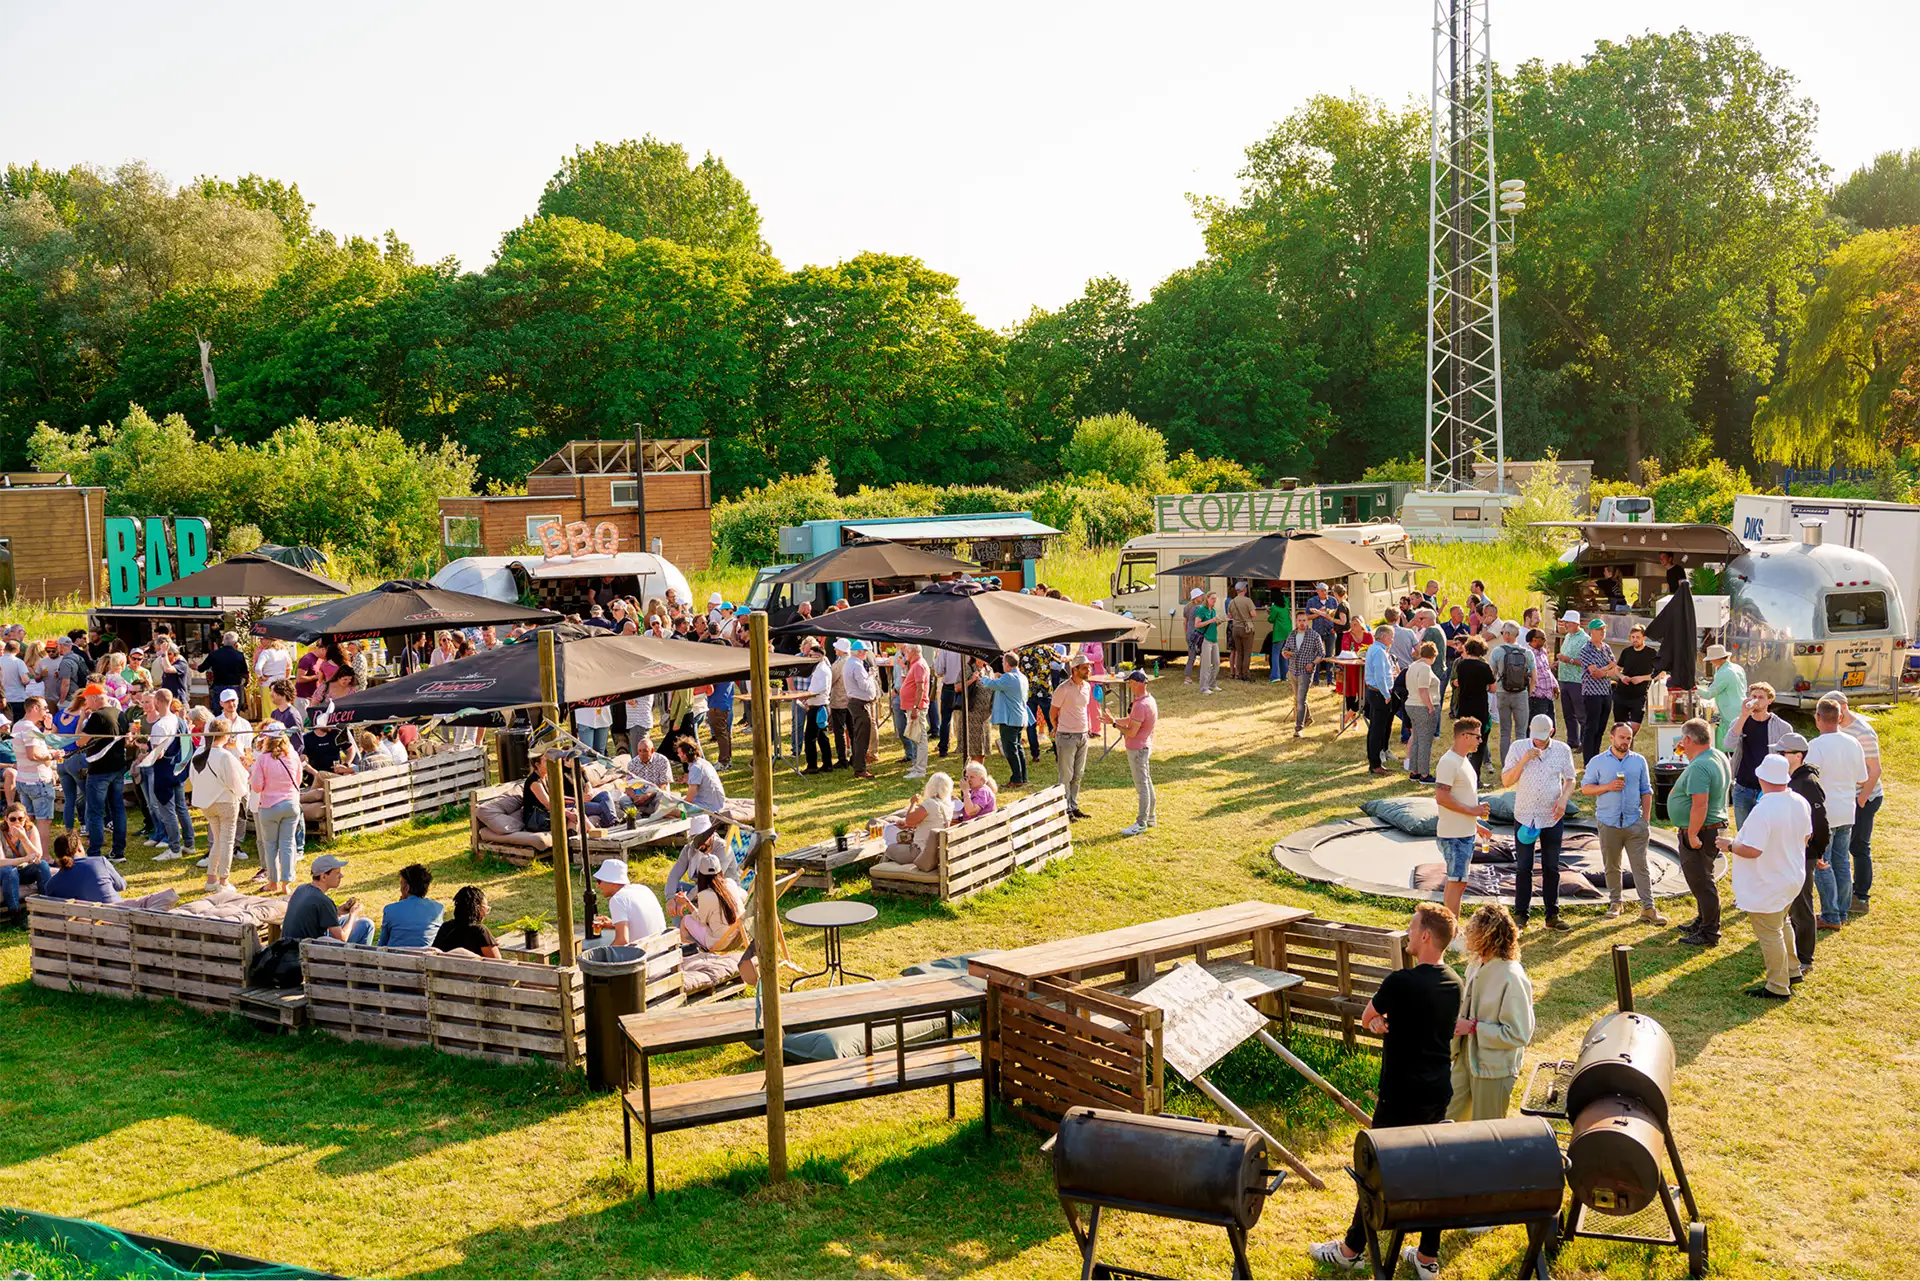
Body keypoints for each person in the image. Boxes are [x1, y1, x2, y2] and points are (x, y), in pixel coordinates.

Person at [1309, 905, 1464, 1278]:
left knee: (1374, 1172)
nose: (1408, 934)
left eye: (1412, 928)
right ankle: (1427, 1257)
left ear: (1425, 936)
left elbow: (1367, 1017)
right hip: (1437, 1091)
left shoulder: (1400, 982)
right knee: (1431, 1169)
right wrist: (1387, 1021)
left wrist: (1379, 1022)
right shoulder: (1454, 982)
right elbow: (1426, 1022)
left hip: (1399, 1093)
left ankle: (1350, 1250)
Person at [1717, 754, 1811, 1000]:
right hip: (1792, 876)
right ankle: (1792, 970)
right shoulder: (1800, 801)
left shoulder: (1764, 810)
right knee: (1782, 923)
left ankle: (1778, 986)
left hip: (1769, 882)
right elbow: (1806, 837)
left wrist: (1729, 846)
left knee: (1770, 933)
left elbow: (1752, 850)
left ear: (1761, 778)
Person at [1448, 905, 1535, 1122]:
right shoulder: (1476, 965)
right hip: (1465, 1058)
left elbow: (1519, 1034)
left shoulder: (1511, 976)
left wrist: (1474, 1028)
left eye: (1473, 928)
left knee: (1486, 1132)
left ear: (1487, 935)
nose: (1467, 932)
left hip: (1494, 1070)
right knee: (1447, 1121)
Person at [1581, 720, 1666, 925]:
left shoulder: (1638, 761)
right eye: (1622, 737)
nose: (1626, 742)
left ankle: (1648, 908)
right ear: (1612, 738)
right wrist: (1608, 787)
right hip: (1608, 821)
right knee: (1612, 866)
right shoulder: (1598, 761)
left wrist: (1645, 820)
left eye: (1629, 738)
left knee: (1641, 866)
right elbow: (1586, 789)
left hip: (1633, 822)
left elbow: (1646, 790)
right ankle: (1615, 903)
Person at [1502, 714, 1577, 931]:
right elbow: (1506, 781)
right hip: (1525, 815)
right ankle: (1521, 914)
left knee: (1551, 867)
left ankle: (1552, 915)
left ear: (1551, 732)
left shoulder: (1562, 750)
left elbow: (1571, 778)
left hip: (1551, 816)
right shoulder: (1518, 747)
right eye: (1535, 737)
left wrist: (1563, 799)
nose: (1538, 741)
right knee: (1523, 867)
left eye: (1542, 738)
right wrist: (1524, 760)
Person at [1803, 696, 1867, 930]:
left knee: (1823, 863)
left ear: (1817, 718)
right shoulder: (1853, 743)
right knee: (1841, 862)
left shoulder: (1815, 746)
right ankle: (1841, 911)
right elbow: (1862, 777)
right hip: (1847, 810)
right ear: (1840, 718)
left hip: (1823, 813)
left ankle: (1830, 915)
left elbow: (1807, 779)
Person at [1667, 718, 1727, 944]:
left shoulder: (1701, 766)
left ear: (1689, 739)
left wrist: (1691, 834)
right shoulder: (1716, 755)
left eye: (1683, 738)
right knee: (1701, 880)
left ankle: (1710, 932)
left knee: (1703, 883)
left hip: (1702, 831)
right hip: (1711, 827)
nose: (1681, 742)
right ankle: (1702, 921)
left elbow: (1700, 804)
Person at [1777, 732, 1828, 978]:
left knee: (1802, 906)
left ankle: (1805, 958)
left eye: (1782, 753)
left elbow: (1821, 822)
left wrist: (1816, 852)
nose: (1777, 756)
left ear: (1798, 756)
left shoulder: (1806, 782)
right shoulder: (1792, 778)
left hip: (1803, 853)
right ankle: (1794, 951)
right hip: (1791, 851)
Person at [1432, 719, 1492, 924]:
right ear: (1464, 736)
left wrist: (1476, 825)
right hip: (1453, 836)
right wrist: (1473, 811)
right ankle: (1451, 929)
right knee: (1456, 883)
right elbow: (1442, 797)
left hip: (1464, 832)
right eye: (1477, 736)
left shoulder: (1464, 760)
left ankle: (1450, 927)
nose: (1480, 740)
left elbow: (1461, 797)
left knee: (1458, 882)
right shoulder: (1449, 762)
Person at [1827, 692, 1881, 917]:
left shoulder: (1863, 733)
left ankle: (1861, 897)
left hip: (1865, 798)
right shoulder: (1840, 730)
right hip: (1848, 797)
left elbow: (1875, 770)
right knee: (1845, 848)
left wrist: (1861, 799)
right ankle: (1845, 894)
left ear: (1844, 707)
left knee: (1859, 847)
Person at [189, 719, 248, 891]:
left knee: (218, 841)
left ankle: (211, 880)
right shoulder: (224, 756)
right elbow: (235, 782)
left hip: (207, 803)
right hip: (225, 802)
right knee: (227, 841)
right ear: (225, 736)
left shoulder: (198, 753)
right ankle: (223, 882)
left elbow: (193, 778)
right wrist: (243, 789)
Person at [76, 684, 128, 863]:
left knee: (96, 811)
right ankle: (118, 852)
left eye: (87, 698)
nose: (85, 702)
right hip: (118, 768)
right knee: (117, 809)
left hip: (99, 770)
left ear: (96, 697)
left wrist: (82, 718)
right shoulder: (120, 714)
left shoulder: (97, 716)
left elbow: (79, 741)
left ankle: (95, 852)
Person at [251, 723, 304, 895]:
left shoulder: (263, 759)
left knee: (270, 845)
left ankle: (273, 881)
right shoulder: (294, 756)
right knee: (288, 843)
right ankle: (286, 883)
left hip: (269, 806)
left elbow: (257, 787)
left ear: (267, 738)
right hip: (290, 804)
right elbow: (298, 779)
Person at [1725, 682, 1790, 825]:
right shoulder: (1740, 722)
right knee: (1743, 834)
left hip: (1769, 789)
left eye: (1761, 697)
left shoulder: (1782, 727)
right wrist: (1743, 716)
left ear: (1770, 700)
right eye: (1753, 696)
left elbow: (1789, 758)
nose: (1756, 700)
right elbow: (1728, 745)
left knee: (1768, 832)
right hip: (1743, 788)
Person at [1052, 657, 1100, 819]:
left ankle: (1073, 805)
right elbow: (1053, 712)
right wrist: (1058, 728)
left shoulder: (1087, 686)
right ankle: (1064, 809)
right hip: (1066, 736)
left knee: (1078, 774)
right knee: (1066, 775)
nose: (1089, 671)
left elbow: (1083, 709)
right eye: (1085, 668)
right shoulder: (1063, 689)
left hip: (1083, 735)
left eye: (1089, 668)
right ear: (1075, 670)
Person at [284, 854, 372, 944]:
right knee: (367, 925)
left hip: (288, 947)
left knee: (352, 920)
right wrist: (353, 914)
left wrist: (341, 909)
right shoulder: (323, 901)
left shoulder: (301, 888)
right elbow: (342, 938)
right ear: (323, 877)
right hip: (307, 952)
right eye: (337, 873)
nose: (341, 876)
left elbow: (316, 914)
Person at [673, 851, 747, 954]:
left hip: (721, 943)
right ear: (720, 871)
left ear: (701, 875)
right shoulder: (730, 883)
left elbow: (701, 920)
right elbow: (745, 896)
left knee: (686, 920)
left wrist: (687, 902)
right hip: (739, 937)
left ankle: (694, 954)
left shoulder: (705, 895)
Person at [11, 697, 56, 857]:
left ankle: (27, 853)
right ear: (35, 708)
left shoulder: (18, 726)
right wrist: (52, 755)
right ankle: (44, 856)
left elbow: (41, 744)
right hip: (38, 781)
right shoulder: (31, 729)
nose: (47, 711)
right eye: (45, 708)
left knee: (26, 821)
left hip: (23, 779)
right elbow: (34, 754)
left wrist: (48, 728)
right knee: (43, 821)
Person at [980, 652, 1032, 787]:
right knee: (1018, 748)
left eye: (1003, 663)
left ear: (1007, 664)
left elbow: (991, 684)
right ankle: (1022, 777)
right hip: (1019, 717)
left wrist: (983, 677)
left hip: (1010, 718)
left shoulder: (1008, 677)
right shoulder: (1021, 677)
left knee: (1010, 750)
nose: (1002, 665)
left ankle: (1016, 779)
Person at [885, 772, 954, 872]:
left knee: (890, 849)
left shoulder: (930, 803)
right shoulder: (948, 805)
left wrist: (913, 803)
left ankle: (881, 876)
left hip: (920, 852)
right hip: (937, 851)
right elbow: (932, 822)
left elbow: (909, 820)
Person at [0, 802, 57, 920]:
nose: (17, 822)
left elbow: (38, 856)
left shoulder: (31, 829)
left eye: (20, 819)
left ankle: (48, 909)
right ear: (6, 819)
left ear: (25, 819)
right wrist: (24, 859)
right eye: (12, 819)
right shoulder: (1, 832)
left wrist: (23, 838)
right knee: (10, 871)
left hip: (23, 870)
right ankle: (16, 915)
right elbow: (1, 862)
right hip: (5, 873)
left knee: (43, 865)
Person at [1486, 621, 1532, 766]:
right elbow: (1534, 677)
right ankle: (1519, 762)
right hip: (1521, 694)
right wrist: (1528, 693)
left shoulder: (1498, 652)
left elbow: (1491, 674)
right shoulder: (1527, 652)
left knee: (1505, 731)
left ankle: (1506, 762)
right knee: (1521, 732)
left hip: (1502, 693)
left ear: (1507, 635)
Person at [1448, 640, 1495, 779]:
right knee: (1479, 744)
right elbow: (1493, 688)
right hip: (1480, 707)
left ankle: (1460, 774)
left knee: (1462, 741)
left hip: (1464, 706)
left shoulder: (1461, 665)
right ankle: (1476, 777)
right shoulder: (1484, 667)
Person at [1573, 619, 1618, 762]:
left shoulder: (1606, 648)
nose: (1602, 632)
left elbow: (1615, 667)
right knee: (1591, 727)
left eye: (1603, 629)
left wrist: (1604, 670)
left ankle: (1596, 757)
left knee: (1601, 727)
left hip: (1606, 691)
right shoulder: (1586, 649)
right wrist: (1608, 668)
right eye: (1599, 629)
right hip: (1592, 693)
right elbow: (1593, 672)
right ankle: (1588, 760)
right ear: (1591, 631)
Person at [593, 858, 666, 945]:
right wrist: (614, 924)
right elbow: (641, 922)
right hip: (661, 947)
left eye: (599, 881)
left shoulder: (617, 899)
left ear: (613, 882)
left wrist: (603, 957)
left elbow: (622, 941)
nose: (597, 886)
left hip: (645, 955)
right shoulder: (643, 889)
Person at [377, 863, 445, 948]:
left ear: (406, 888)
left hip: (395, 959)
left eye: (401, 884)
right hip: (425, 959)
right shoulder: (438, 908)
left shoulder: (390, 910)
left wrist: (400, 905)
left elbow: (382, 944)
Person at [1402, 642, 1442, 784]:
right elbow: (1423, 689)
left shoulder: (1413, 666)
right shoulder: (1425, 668)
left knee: (1417, 739)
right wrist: (1430, 707)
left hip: (1411, 704)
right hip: (1422, 706)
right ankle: (1424, 774)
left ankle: (1414, 771)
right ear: (1434, 655)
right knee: (1425, 741)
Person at [1612, 625, 1660, 738]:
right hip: (1621, 693)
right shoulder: (1626, 652)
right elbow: (1616, 670)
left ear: (1644, 638)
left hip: (1639, 695)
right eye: (1633, 637)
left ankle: (1627, 746)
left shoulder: (1652, 653)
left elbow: (1660, 674)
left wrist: (1642, 678)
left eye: (1638, 637)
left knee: (1634, 726)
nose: (1635, 640)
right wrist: (1622, 677)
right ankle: (1622, 751)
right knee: (1619, 727)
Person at [1281, 612, 1324, 737]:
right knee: (1299, 698)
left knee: (1300, 700)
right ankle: (1308, 718)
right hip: (1293, 669)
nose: (1302, 623)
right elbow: (1285, 649)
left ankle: (1298, 728)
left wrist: (1312, 663)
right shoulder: (1292, 634)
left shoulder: (1314, 636)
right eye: (1299, 620)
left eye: (1304, 620)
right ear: (1296, 621)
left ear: (1307, 621)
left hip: (1306, 670)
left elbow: (1321, 654)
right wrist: (1285, 653)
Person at [1363, 623, 1398, 776]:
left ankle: (1375, 761)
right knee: (1377, 729)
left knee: (1375, 729)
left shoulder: (1376, 649)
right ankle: (1375, 764)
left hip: (1376, 692)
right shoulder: (1379, 652)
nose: (1392, 640)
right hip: (1379, 693)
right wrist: (1387, 694)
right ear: (1383, 637)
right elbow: (1380, 676)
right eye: (1391, 637)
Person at [431, 885, 502, 958]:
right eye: (486, 909)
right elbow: (498, 963)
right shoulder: (480, 931)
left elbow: (435, 952)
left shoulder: (446, 927)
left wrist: (490, 942)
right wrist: (492, 946)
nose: (486, 913)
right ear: (478, 908)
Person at [1699, 643, 1747, 751]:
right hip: (1741, 707)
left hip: (1729, 712)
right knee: (1739, 744)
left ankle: (1728, 766)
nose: (1710, 662)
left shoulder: (1724, 673)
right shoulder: (1737, 668)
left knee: (1728, 745)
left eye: (1711, 659)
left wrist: (1693, 689)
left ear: (1718, 659)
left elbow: (1708, 695)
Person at [842, 638, 877, 780]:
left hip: (856, 701)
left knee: (858, 736)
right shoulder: (856, 665)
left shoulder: (851, 663)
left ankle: (858, 765)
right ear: (860, 652)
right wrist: (871, 676)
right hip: (860, 703)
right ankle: (860, 769)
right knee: (862, 737)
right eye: (865, 652)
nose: (866, 654)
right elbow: (864, 686)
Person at [800, 639, 834, 775]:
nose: (810, 658)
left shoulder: (822, 669)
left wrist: (806, 696)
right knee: (821, 737)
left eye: (812, 655)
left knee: (810, 737)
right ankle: (827, 764)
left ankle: (813, 765)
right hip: (818, 705)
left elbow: (819, 688)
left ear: (819, 656)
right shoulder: (822, 668)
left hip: (818, 706)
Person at [897, 643, 930, 780]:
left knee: (921, 738)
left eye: (907, 651)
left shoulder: (919, 665)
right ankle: (917, 765)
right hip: (913, 706)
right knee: (915, 736)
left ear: (913, 652)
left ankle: (920, 770)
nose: (905, 654)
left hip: (917, 707)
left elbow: (920, 688)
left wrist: (916, 707)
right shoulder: (916, 664)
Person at [623, 734, 675, 818]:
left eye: (645, 750)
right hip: (639, 797)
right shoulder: (632, 764)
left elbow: (663, 785)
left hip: (656, 795)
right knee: (624, 800)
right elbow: (628, 787)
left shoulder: (662, 761)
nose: (642, 753)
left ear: (652, 750)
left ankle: (655, 816)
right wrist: (635, 797)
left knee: (663, 796)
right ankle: (638, 819)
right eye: (640, 751)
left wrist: (647, 795)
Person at [198, 632, 250, 709]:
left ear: (223, 641)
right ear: (236, 643)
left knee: (218, 712)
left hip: (219, 685)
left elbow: (201, 669)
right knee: (234, 710)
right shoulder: (239, 655)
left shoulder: (214, 654)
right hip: (235, 686)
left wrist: (197, 666)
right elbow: (245, 673)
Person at [1227, 581, 1257, 681]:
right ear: (1244, 589)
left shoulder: (1232, 601)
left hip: (1235, 628)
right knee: (1247, 652)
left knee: (1239, 652)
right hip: (1246, 629)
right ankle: (1245, 674)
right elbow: (1253, 614)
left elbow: (1229, 616)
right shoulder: (1248, 601)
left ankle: (1238, 674)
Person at [1194, 592, 1223, 694]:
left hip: (1214, 640)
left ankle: (1212, 684)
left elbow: (1212, 625)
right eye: (1212, 598)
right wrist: (1211, 621)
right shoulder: (1202, 610)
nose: (1214, 601)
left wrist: (1218, 622)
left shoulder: (1213, 611)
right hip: (1205, 640)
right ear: (1207, 598)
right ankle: (1203, 687)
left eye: (1215, 599)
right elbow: (1197, 625)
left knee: (1216, 663)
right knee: (1206, 665)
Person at [1267, 588, 1292, 683]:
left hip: (1279, 632)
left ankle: (1275, 676)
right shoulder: (1285, 603)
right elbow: (1286, 598)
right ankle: (1285, 675)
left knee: (1275, 654)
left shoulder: (1274, 608)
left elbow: (1271, 619)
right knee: (1284, 654)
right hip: (1288, 630)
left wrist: (1268, 611)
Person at [1182, 587, 1206, 683]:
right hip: (1198, 634)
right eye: (1200, 595)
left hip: (1189, 633)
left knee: (1191, 656)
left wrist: (1186, 633)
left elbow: (1185, 622)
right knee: (1203, 654)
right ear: (1196, 597)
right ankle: (1202, 676)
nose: (1202, 597)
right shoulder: (1199, 608)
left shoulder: (1186, 607)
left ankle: (1187, 677)